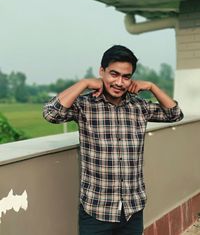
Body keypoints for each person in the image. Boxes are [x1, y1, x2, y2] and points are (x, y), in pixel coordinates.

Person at [43, 45, 183, 235]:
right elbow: (51, 113)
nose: (119, 82)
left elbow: (175, 114)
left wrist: (151, 86)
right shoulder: (85, 105)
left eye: (126, 77)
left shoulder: (139, 107)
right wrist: (84, 83)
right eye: (113, 74)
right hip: (96, 211)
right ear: (102, 71)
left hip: (132, 210)